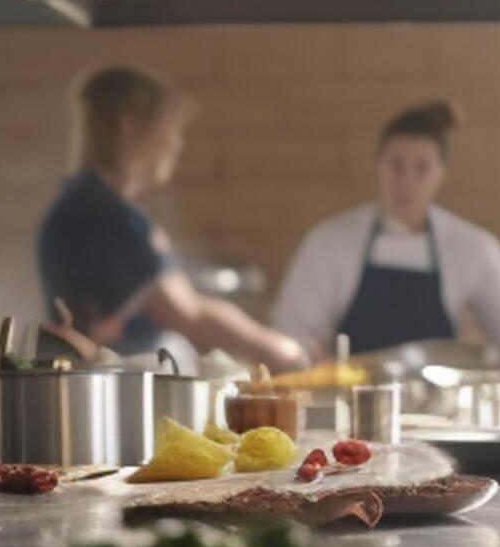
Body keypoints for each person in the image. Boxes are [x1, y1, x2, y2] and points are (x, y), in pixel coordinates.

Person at [36, 64, 308, 369]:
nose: (176, 143)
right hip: (124, 396)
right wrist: (287, 353)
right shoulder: (105, 217)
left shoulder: (82, 203)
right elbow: (189, 316)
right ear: (130, 125)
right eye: (170, 127)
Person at [269, 99, 500, 367]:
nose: (407, 181)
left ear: (441, 173)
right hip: (351, 402)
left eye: (422, 168)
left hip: (440, 407)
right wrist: (310, 358)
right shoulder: (329, 241)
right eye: (396, 165)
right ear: (378, 165)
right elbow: (289, 338)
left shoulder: (474, 248)